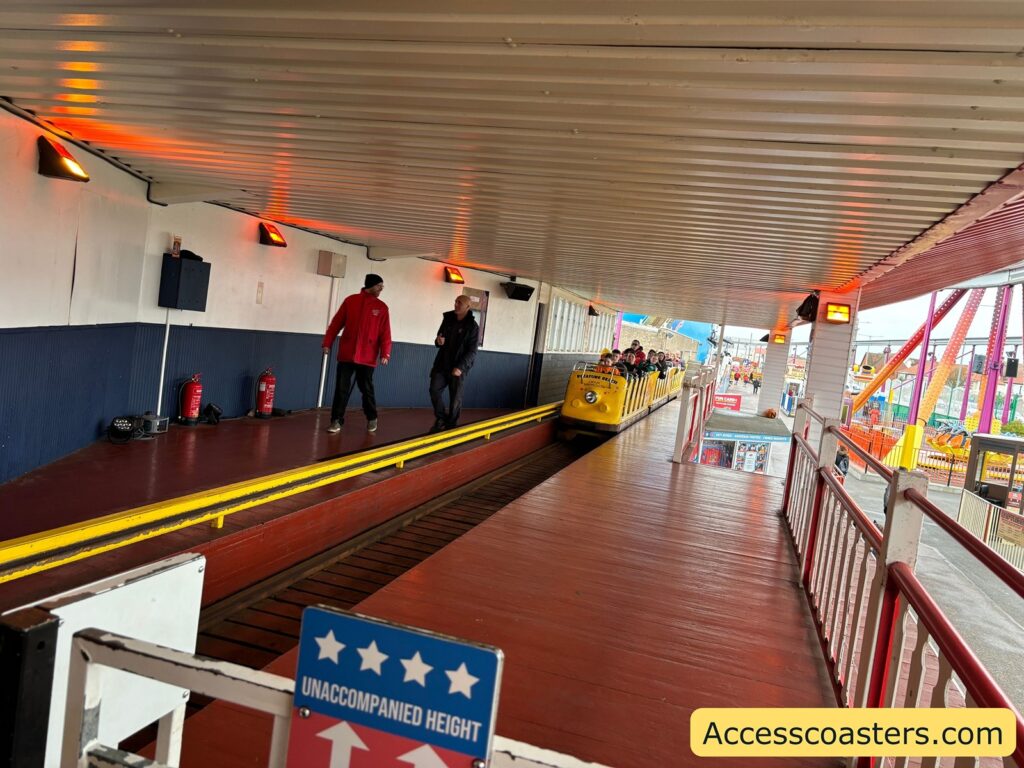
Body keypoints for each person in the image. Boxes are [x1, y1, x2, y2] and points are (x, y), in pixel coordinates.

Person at [322, 273, 391, 434]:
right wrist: (327, 343)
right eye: (379, 286)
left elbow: (385, 333)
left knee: (366, 389)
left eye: (382, 286)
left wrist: (385, 354)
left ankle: (372, 417)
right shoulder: (350, 301)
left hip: (367, 357)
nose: (381, 289)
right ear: (371, 286)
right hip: (347, 354)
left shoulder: (382, 308)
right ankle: (336, 420)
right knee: (341, 389)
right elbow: (335, 324)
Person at [429, 295, 480, 432]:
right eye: (455, 301)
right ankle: (441, 417)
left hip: (458, 367)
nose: (456, 304)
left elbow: (472, 351)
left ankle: (451, 425)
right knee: (434, 389)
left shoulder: (472, 327)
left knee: (455, 397)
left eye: (460, 303)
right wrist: (438, 341)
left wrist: (460, 367)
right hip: (442, 364)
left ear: (468, 307)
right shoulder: (448, 318)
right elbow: (439, 337)